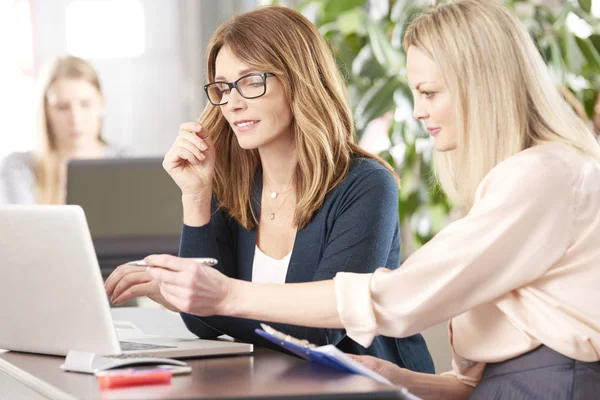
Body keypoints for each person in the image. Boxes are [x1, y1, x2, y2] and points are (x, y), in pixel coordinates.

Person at [115, 0, 600, 398]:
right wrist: (197, 199)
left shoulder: (545, 176)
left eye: (429, 92)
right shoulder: (521, 181)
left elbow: (389, 301)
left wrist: (224, 295)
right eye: (223, 87)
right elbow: (476, 378)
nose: (417, 112)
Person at [105, 6, 434, 373]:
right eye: (223, 87)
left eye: (250, 81)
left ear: (299, 80)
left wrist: (204, 298)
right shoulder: (232, 181)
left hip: (369, 388)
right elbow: (202, 324)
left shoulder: (367, 185)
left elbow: (318, 331)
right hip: (281, 383)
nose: (232, 102)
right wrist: (195, 196)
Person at [0, 55, 125, 204]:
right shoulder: (19, 168)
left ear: (101, 103)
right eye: (62, 107)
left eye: (85, 104)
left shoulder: (126, 162)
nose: (75, 119)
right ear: (45, 111)